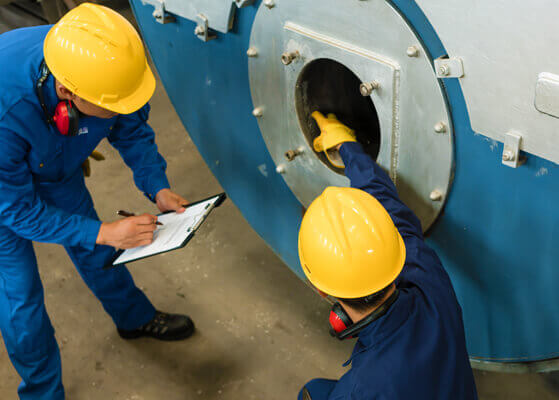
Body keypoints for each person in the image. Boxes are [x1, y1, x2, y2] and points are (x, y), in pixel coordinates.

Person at [0, 4, 195, 399]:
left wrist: (156, 185)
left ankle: (133, 318)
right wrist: (103, 231)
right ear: (66, 91)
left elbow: (131, 127)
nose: (116, 113)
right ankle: (42, 393)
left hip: (53, 159)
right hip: (4, 189)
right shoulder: (7, 109)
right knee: (20, 296)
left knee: (97, 248)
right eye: (109, 108)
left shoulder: (104, 66)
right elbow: (16, 210)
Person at [297, 112, 478, 399]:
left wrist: (345, 147)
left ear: (321, 290)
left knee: (310, 392)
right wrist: (347, 147)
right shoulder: (428, 278)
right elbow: (386, 203)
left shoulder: (361, 390)